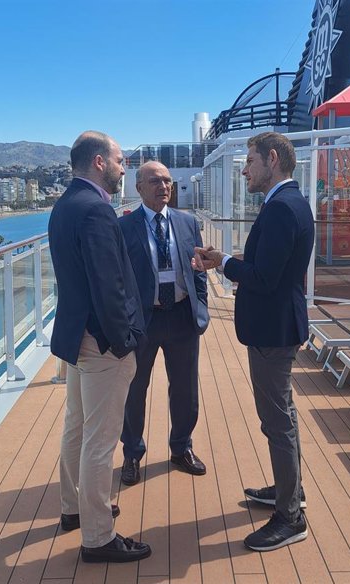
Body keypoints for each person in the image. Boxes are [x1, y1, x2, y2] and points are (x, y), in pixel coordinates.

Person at [193, 132, 314, 552]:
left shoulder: (281, 209)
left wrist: (224, 263)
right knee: (285, 416)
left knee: (276, 422)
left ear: (272, 159)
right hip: (279, 327)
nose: (244, 169)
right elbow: (270, 266)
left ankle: (290, 517)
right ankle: (289, 493)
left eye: (249, 160)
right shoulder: (290, 203)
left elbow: (264, 278)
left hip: (272, 332)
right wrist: (225, 259)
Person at [48, 131, 151, 563]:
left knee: (76, 427)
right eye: (120, 160)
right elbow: (108, 286)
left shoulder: (64, 206)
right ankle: (98, 537)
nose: (124, 167)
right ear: (98, 162)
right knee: (100, 439)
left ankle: (73, 508)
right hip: (101, 342)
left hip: (76, 337)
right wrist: (122, 341)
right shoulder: (95, 210)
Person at [119, 161, 209, 485]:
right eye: (155, 180)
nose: (164, 186)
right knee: (134, 389)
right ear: (138, 187)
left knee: (185, 389)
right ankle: (132, 453)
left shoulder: (187, 222)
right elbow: (119, 280)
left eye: (168, 181)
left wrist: (202, 308)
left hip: (182, 316)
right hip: (144, 320)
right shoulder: (124, 228)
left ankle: (181, 447)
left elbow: (198, 268)